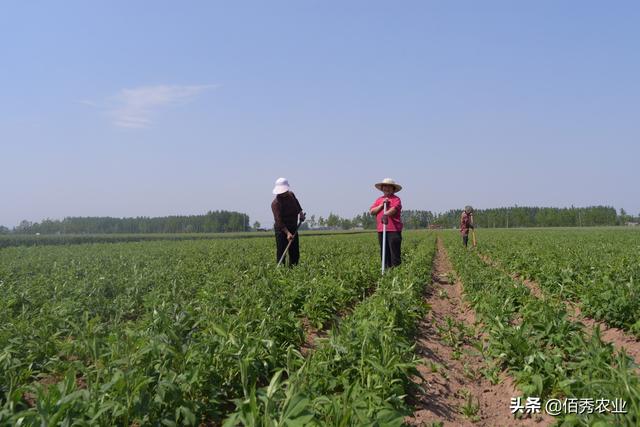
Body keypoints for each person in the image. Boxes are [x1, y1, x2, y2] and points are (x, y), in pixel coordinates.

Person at [370, 178, 403, 268]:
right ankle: (386, 273)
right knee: (384, 253)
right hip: (381, 230)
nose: (387, 188)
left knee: (394, 254)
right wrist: (381, 205)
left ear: (393, 189)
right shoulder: (379, 200)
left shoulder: (396, 199)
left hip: (394, 230)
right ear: (382, 188)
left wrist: (386, 214)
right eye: (385, 186)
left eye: (389, 187)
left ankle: (396, 274)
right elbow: (372, 211)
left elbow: (394, 209)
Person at [271, 177, 305, 266]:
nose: (284, 193)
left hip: (293, 226)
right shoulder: (275, 204)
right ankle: (281, 270)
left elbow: (297, 204)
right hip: (282, 230)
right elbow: (279, 221)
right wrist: (287, 233)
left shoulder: (291, 195)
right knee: (282, 251)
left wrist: (300, 213)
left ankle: (293, 269)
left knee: (295, 252)